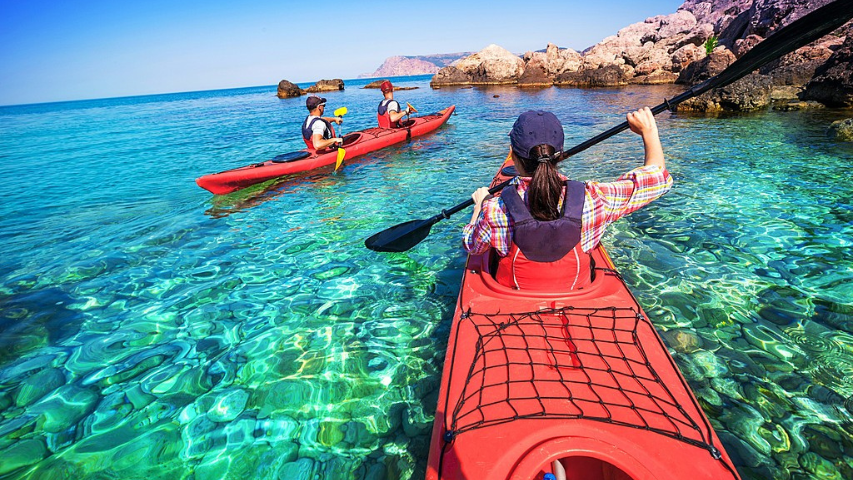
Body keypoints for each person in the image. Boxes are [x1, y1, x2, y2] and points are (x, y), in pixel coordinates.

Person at [463, 108, 672, 292]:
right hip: (577, 294)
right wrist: (649, 131)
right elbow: (658, 179)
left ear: (514, 157)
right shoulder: (594, 199)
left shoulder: (494, 210)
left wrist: (478, 208)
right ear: (560, 155)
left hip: (513, 296)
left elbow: (472, 246)